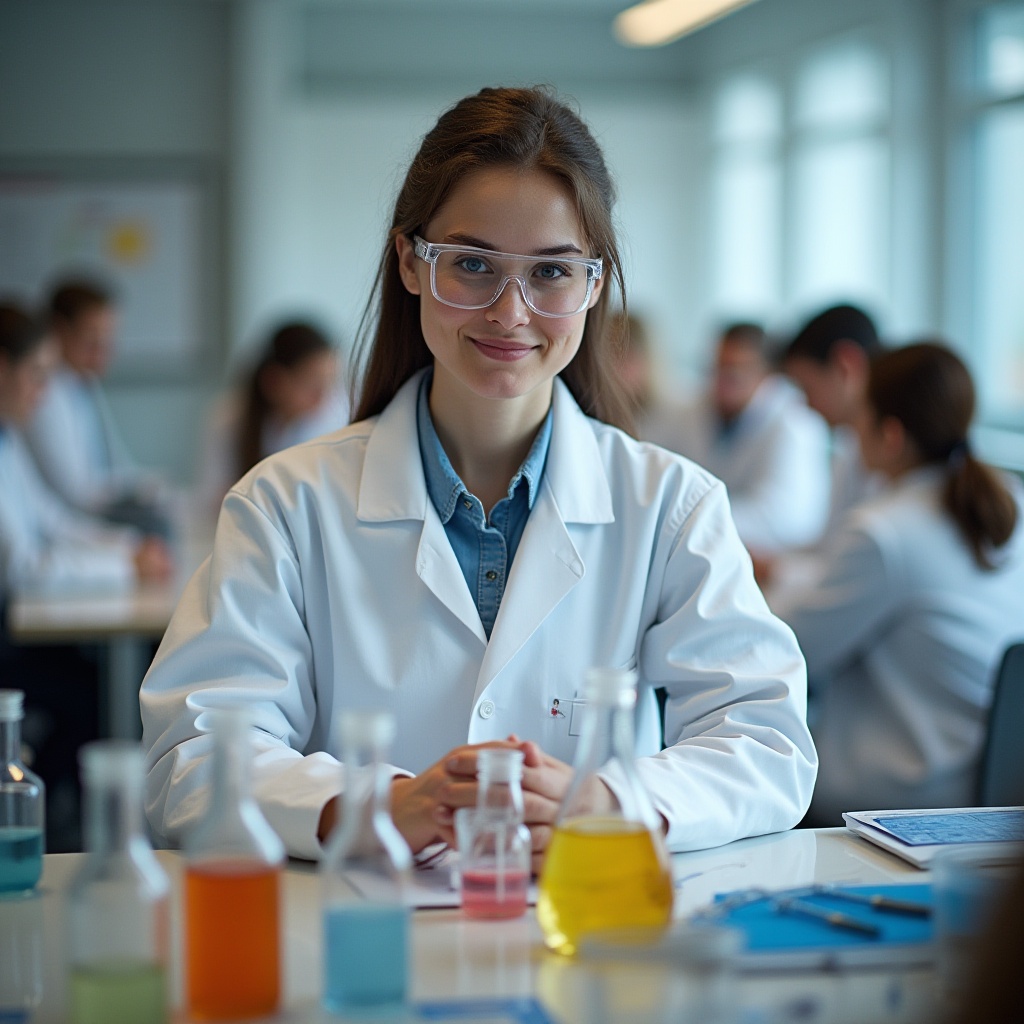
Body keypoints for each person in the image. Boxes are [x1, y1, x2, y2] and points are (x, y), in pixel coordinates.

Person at [141, 86, 817, 867]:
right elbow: (189, 759)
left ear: (595, 285)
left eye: (552, 273)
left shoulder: (670, 505)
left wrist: (607, 802)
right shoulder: (285, 504)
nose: (510, 312)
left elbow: (768, 745)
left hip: (586, 941)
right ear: (410, 263)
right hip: (365, 948)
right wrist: (380, 807)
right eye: (471, 264)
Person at [771, 342, 1024, 826]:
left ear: (889, 436)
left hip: (905, 799)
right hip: (994, 790)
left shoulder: (885, 533)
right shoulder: (1009, 502)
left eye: (860, 417)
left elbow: (788, 646)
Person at [0, 302, 173, 849]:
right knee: (105, 696)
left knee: (118, 678)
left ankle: (73, 822)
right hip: (10, 641)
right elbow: (26, 568)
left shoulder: (7, 439)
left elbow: (54, 521)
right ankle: (67, 832)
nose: (44, 391)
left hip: (18, 626)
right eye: (35, 375)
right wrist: (125, 563)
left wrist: (129, 550)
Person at [646, 322, 831, 555]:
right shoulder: (692, 410)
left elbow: (784, 519)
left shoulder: (795, 423)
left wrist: (688, 516)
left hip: (775, 564)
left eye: (737, 370)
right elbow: (652, 468)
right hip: (700, 547)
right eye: (718, 367)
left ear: (765, 374)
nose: (723, 380)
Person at [22, 278, 173, 539]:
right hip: (72, 526)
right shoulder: (43, 394)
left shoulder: (85, 384)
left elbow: (116, 464)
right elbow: (76, 491)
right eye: (92, 340)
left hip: (83, 525)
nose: (103, 352)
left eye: (108, 340)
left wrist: (152, 487)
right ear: (59, 331)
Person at [197, 320, 349, 517]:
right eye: (311, 384)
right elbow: (214, 495)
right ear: (275, 381)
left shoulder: (335, 416)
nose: (322, 397)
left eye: (329, 383)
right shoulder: (229, 419)